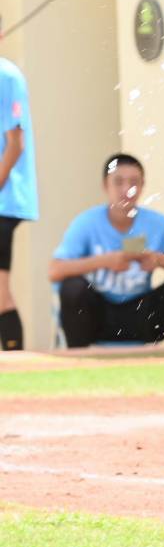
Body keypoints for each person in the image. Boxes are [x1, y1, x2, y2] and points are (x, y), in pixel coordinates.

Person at [49, 154, 164, 348]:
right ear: (106, 185)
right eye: (118, 182)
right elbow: (54, 270)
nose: (126, 190)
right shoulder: (86, 223)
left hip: (142, 315)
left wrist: (159, 260)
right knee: (72, 287)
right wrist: (105, 261)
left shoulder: (157, 223)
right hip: (99, 315)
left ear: (142, 185)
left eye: (134, 182)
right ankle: (77, 358)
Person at [0, 54, 37, 351]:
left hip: (4, 200)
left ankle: (16, 366)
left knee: (0, 293)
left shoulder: (6, 75)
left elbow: (15, 144)